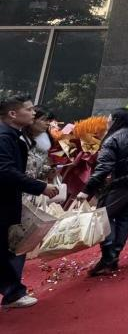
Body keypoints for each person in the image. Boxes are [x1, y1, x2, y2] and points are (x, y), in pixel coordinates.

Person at [78, 108, 128, 276]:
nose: (107, 122)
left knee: (103, 216)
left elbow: (103, 168)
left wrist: (87, 190)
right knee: (126, 217)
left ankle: (109, 256)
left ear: (115, 120)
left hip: (123, 184)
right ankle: (114, 255)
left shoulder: (112, 139)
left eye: (109, 119)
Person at [0, 96, 59, 309]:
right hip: (6, 199)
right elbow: (5, 170)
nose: (33, 113)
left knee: (5, 249)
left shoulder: (14, 136)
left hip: (10, 198)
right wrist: (39, 186)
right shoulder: (4, 137)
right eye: (29, 109)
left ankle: (13, 292)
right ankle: (13, 292)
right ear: (12, 114)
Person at [23, 106, 55, 182]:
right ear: (32, 119)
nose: (48, 123)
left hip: (35, 186)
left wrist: (49, 171)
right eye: (43, 119)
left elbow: (38, 170)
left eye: (49, 120)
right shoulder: (19, 140)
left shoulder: (44, 143)